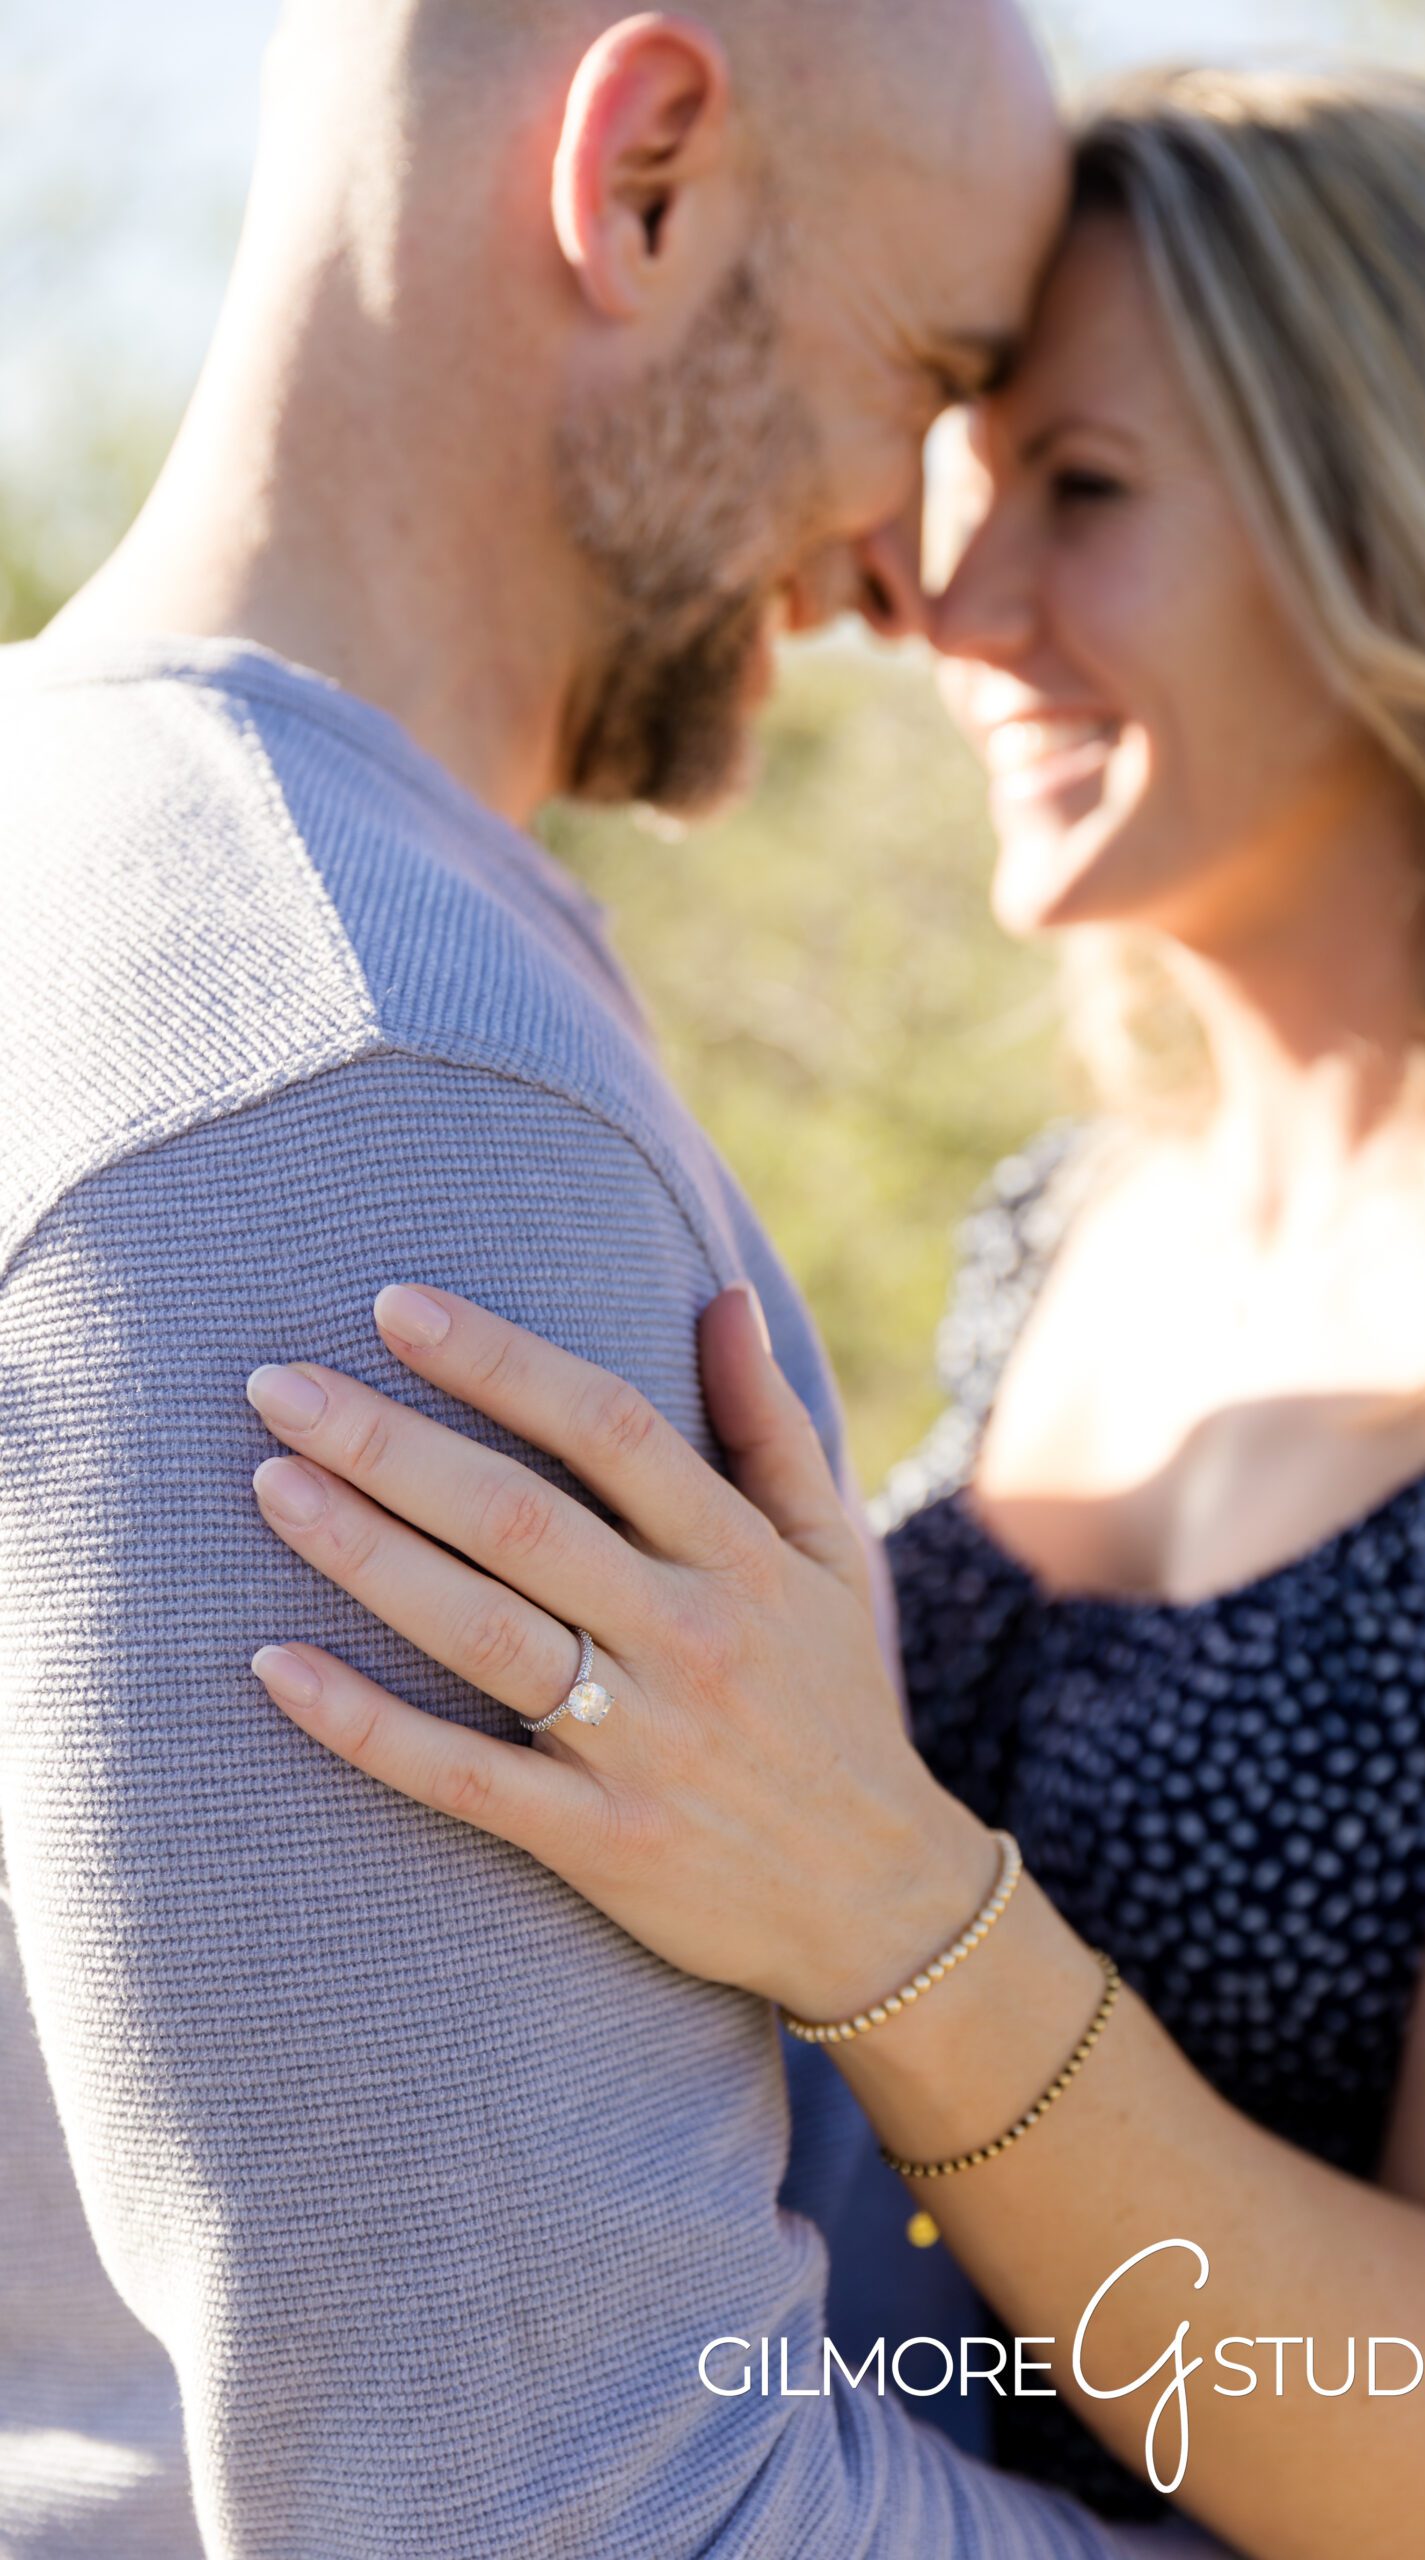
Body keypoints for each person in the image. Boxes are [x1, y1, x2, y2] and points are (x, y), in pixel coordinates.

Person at [232, 64, 1425, 2560]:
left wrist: (882, 1901)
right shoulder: (1062, 1223)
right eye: (957, 470)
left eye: (1084, 491)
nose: (943, 597)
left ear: (1412, 522)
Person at [0, 4, 1176, 2555]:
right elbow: (594, 2510)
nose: (921, 564)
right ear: (643, 175)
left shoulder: (99, 848)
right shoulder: (354, 1062)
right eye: (932, 375)